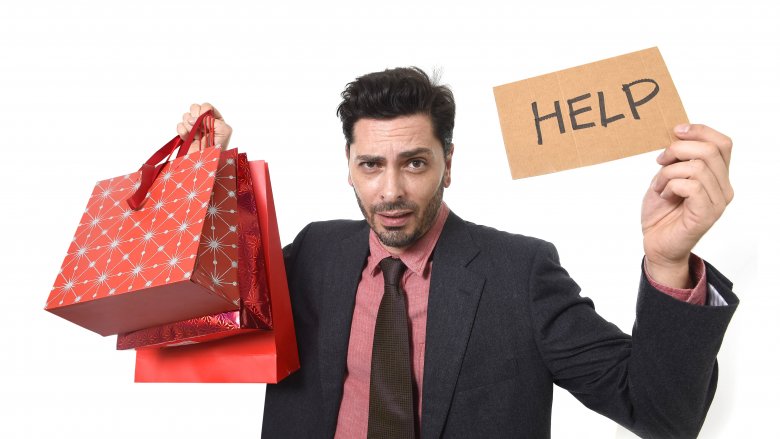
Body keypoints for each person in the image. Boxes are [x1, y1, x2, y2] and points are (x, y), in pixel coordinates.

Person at [176, 67, 738, 439]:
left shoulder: (520, 273)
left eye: (415, 163)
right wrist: (195, 188)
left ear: (449, 162)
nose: (391, 191)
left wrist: (668, 263)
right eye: (372, 165)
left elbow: (664, 415)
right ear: (348, 164)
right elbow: (201, 323)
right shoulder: (314, 253)